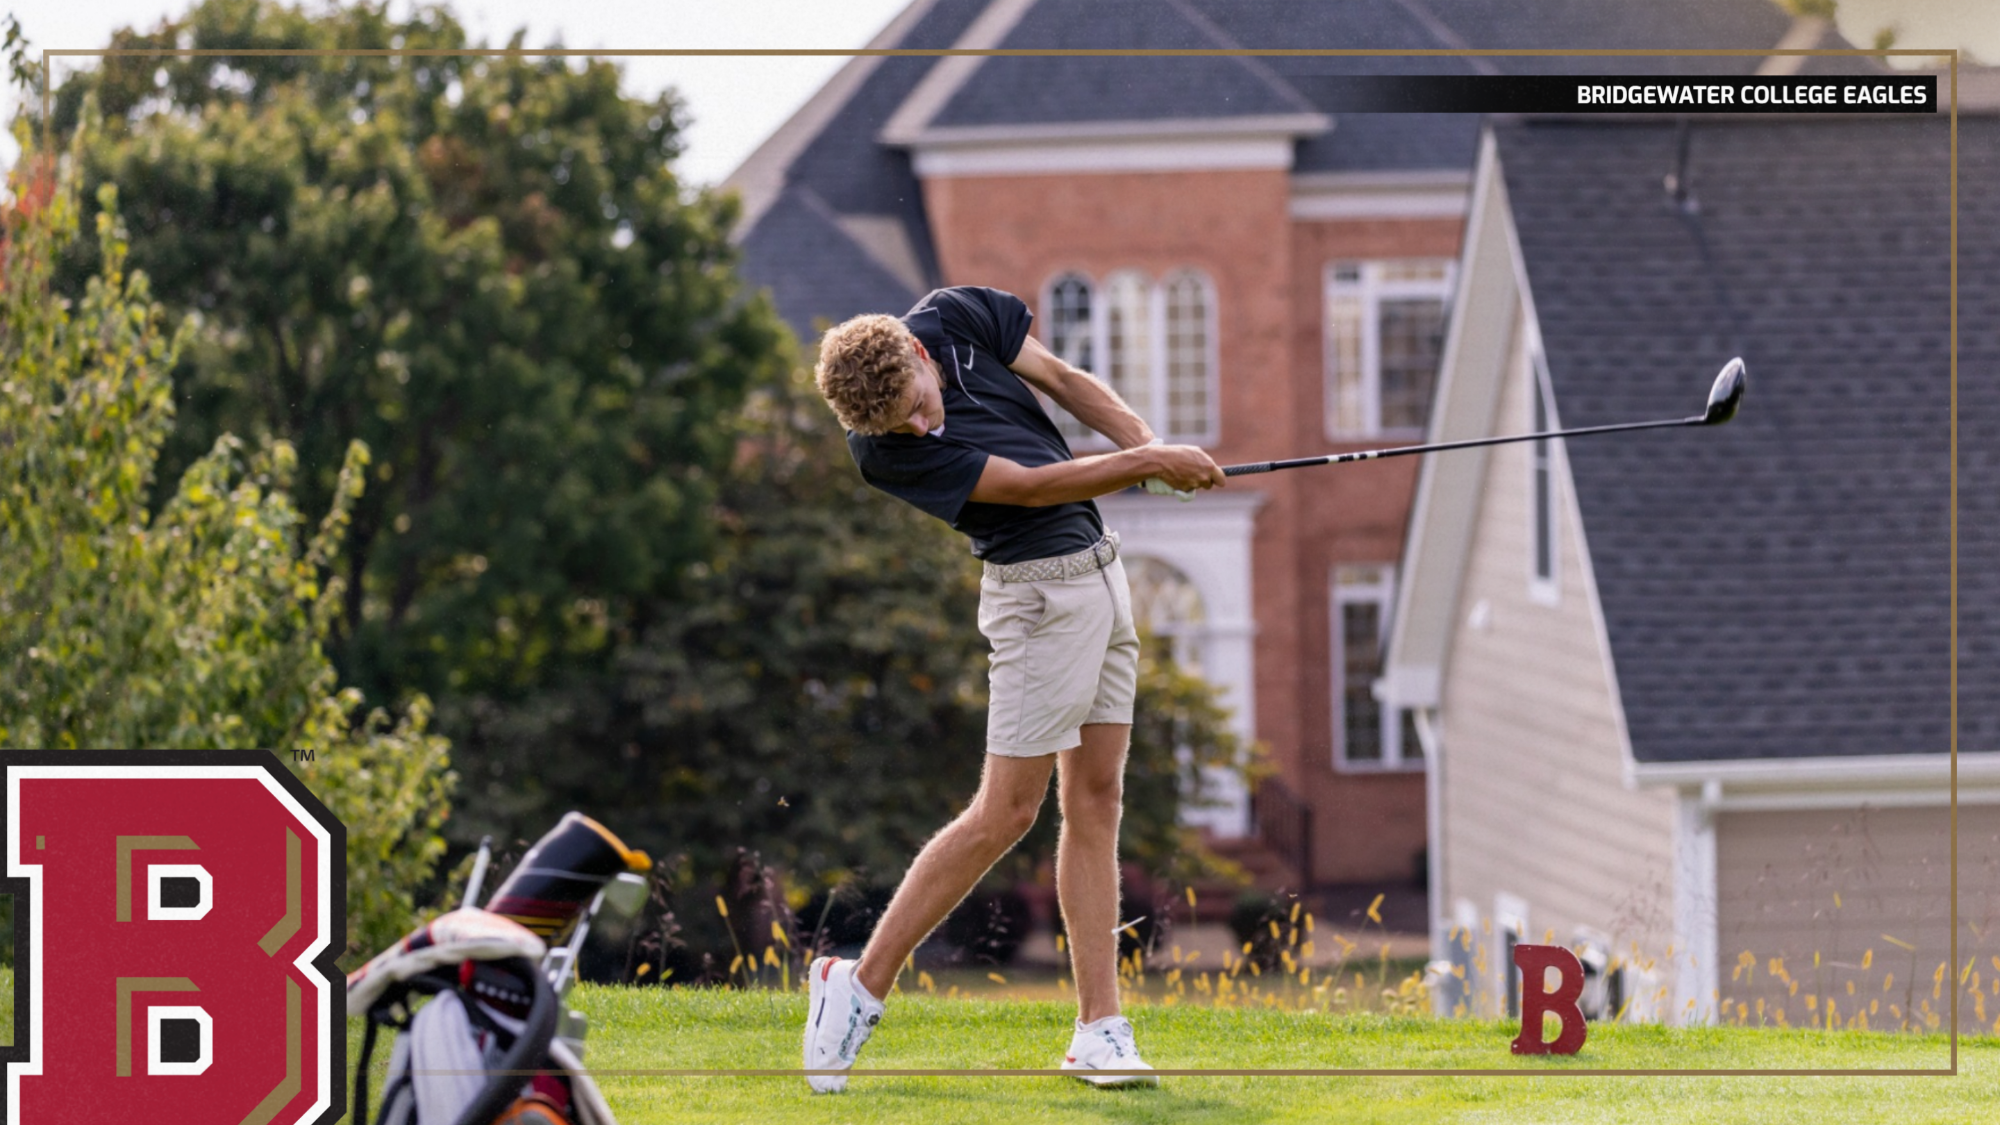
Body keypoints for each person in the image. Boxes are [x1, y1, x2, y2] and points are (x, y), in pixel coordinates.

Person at [802, 285, 1224, 1094]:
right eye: (903, 427)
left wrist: (1148, 442)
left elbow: (1063, 379)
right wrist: (1147, 464)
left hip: (1100, 573)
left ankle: (1099, 1030)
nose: (921, 428)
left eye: (920, 407)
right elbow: (1031, 488)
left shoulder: (957, 316)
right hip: (1035, 598)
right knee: (1007, 812)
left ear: (922, 355)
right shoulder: (881, 450)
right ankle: (857, 983)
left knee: (1097, 797)